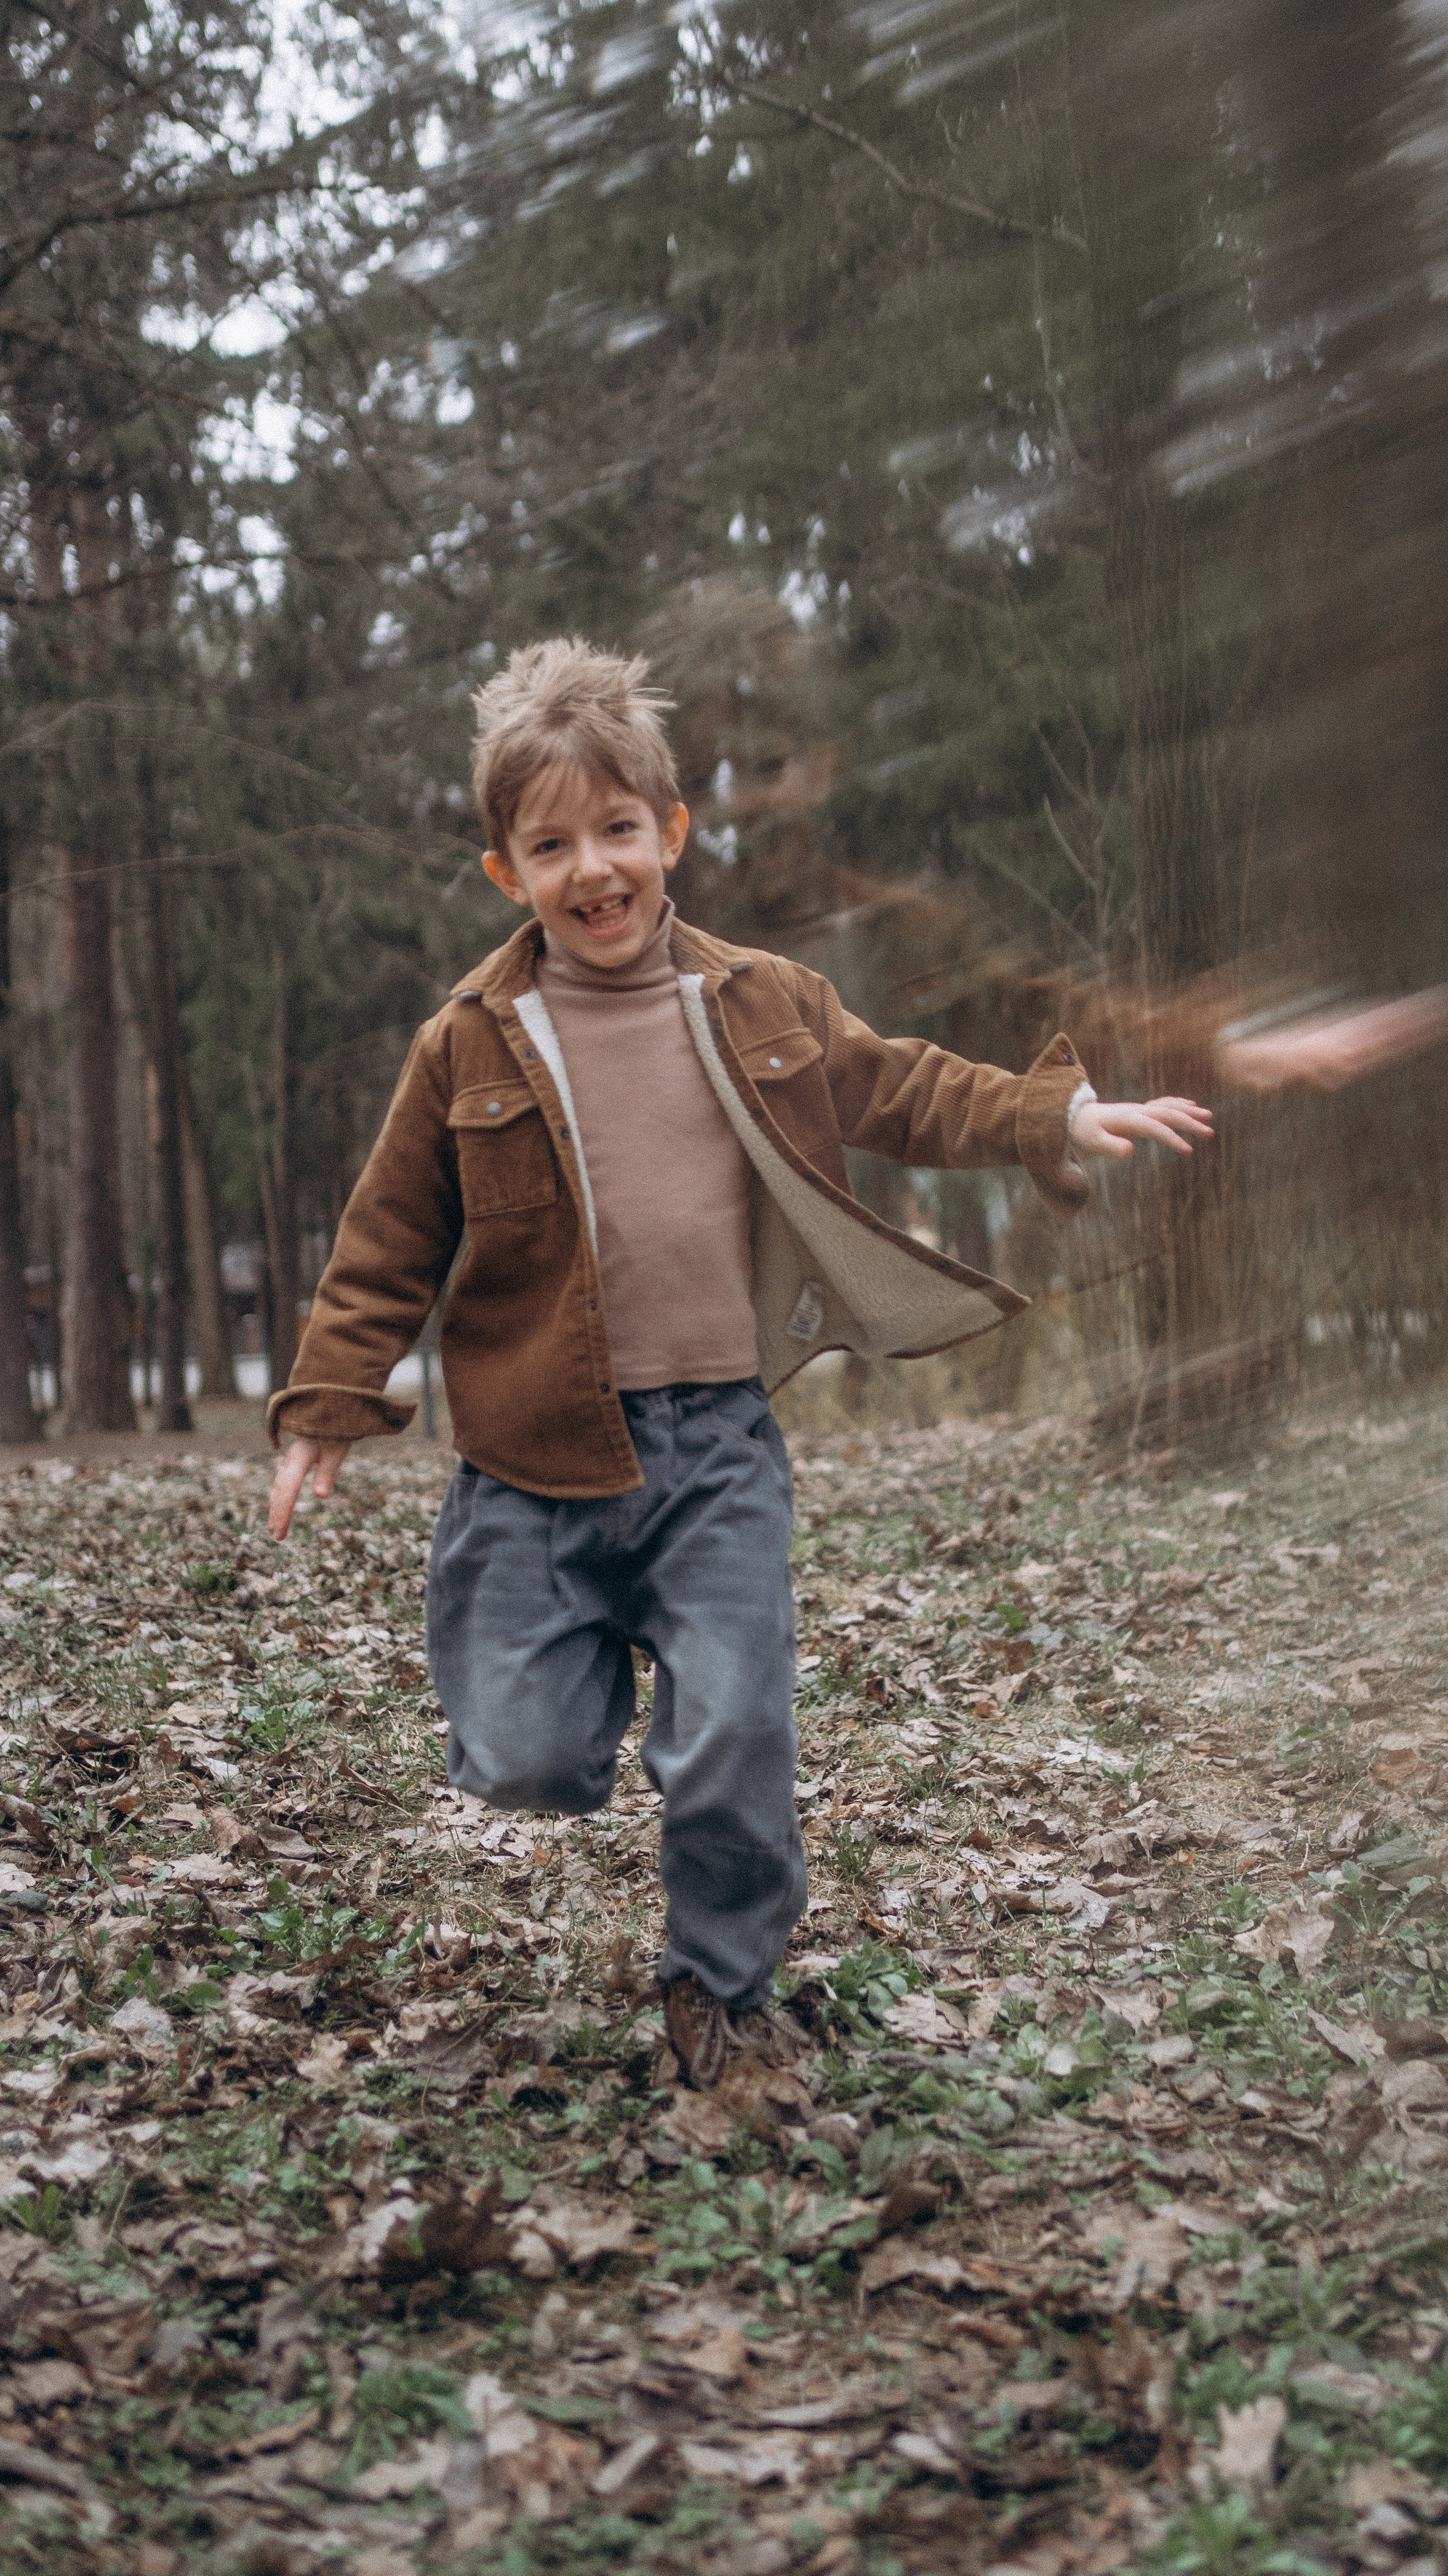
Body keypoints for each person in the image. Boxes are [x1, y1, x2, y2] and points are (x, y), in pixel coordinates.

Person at [266, 638, 1212, 2088]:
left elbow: (900, 1082)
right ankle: (588, 1685)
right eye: (550, 844)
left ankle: (718, 1985)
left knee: (733, 1730)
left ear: (672, 834)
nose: (591, 869)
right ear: (504, 873)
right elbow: (388, 1232)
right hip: (528, 1464)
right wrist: (328, 1407)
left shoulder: (760, 1001)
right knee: (522, 1750)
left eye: (617, 831)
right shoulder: (467, 1044)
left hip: (711, 1451)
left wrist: (1048, 1119)